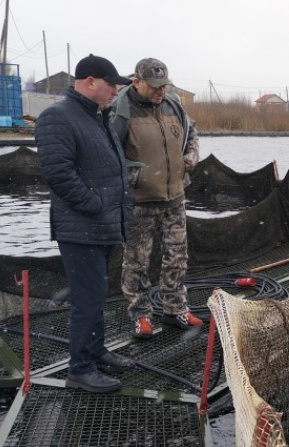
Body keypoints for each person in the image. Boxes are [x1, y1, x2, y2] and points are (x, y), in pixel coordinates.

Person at [36, 54, 136, 393]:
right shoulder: (57, 117)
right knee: (87, 299)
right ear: (90, 82)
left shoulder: (98, 117)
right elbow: (58, 174)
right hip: (81, 229)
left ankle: (96, 351)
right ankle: (79, 369)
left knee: (97, 293)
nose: (115, 92)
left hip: (103, 225)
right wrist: (95, 205)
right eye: (111, 86)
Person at [111, 58, 203, 338]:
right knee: (136, 262)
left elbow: (192, 134)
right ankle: (141, 315)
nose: (160, 90)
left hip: (174, 197)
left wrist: (189, 159)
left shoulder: (174, 105)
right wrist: (135, 177)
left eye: (163, 85)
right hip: (139, 202)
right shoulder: (120, 111)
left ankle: (175, 309)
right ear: (137, 82)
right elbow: (109, 155)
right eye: (154, 86)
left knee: (177, 256)